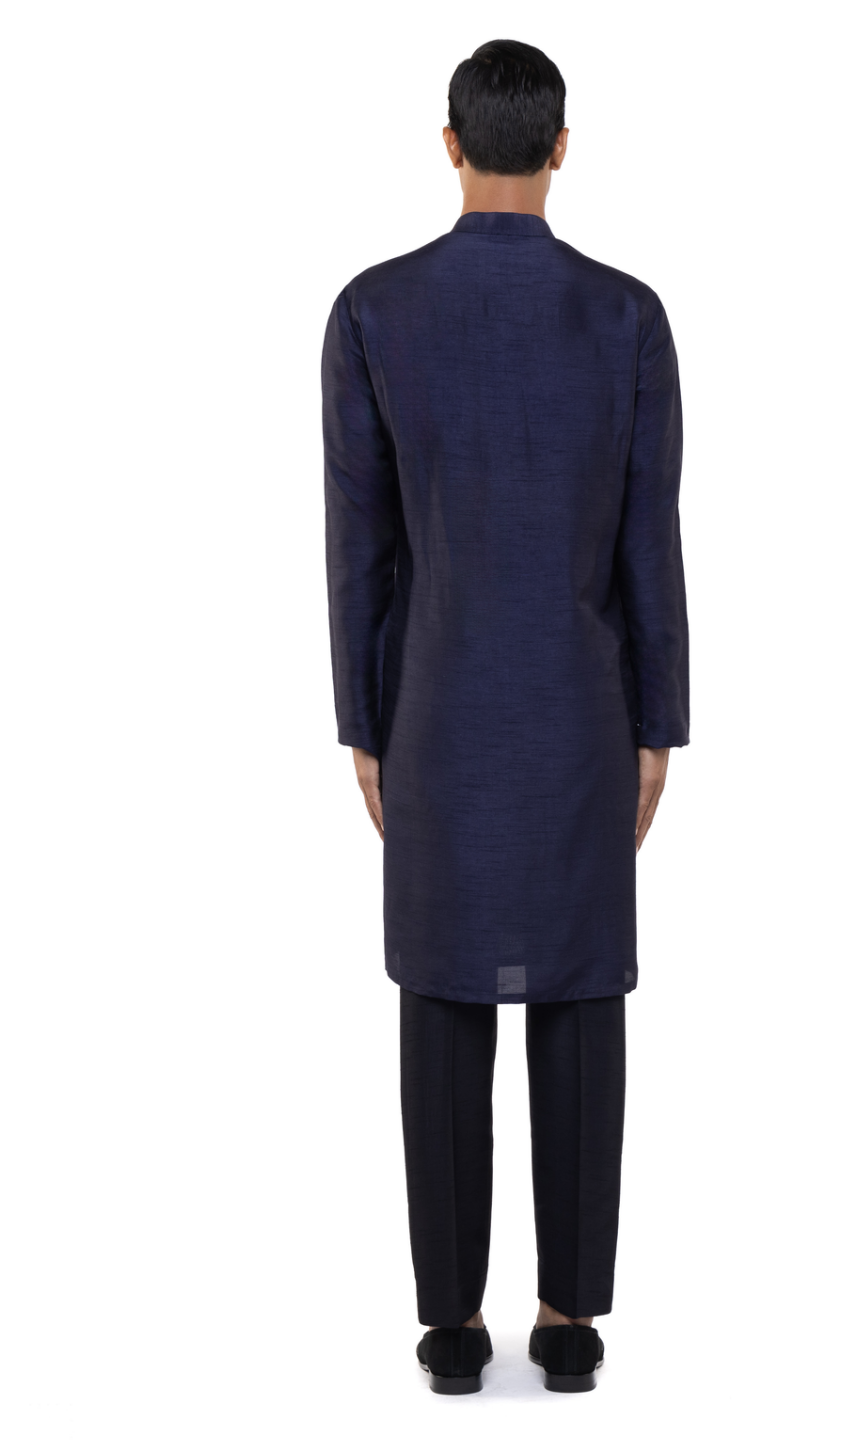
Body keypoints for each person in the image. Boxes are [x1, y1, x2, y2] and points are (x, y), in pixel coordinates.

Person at [321, 39, 689, 1395]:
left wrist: (362, 720)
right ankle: (570, 1319)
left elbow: (360, 547)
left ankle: (450, 1325)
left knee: (442, 994)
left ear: (450, 143)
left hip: (433, 699)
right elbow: (650, 543)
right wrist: (661, 723)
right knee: (580, 994)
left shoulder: (373, 312)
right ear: (562, 147)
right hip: (586, 705)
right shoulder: (627, 317)